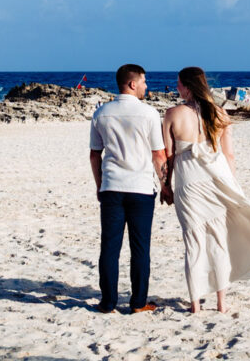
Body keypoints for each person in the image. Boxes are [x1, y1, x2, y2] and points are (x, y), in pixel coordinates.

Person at [161, 66, 250, 314]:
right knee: (218, 241)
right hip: (218, 179)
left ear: (187, 86)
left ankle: (195, 304)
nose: (176, 88)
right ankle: (221, 303)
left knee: (194, 242)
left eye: (179, 84)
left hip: (190, 183)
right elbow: (229, 155)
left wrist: (166, 186)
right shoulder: (221, 114)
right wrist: (232, 186)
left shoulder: (172, 114)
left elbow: (168, 157)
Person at [88, 64, 167, 314]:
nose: (146, 85)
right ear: (132, 84)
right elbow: (159, 155)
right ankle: (138, 302)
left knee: (109, 247)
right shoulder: (149, 114)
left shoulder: (101, 113)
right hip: (141, 188)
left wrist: (100, 184)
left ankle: (108, 302)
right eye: (144, 81)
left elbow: (94, 155)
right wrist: (165, 186)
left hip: (112, 186)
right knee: (140, 248)